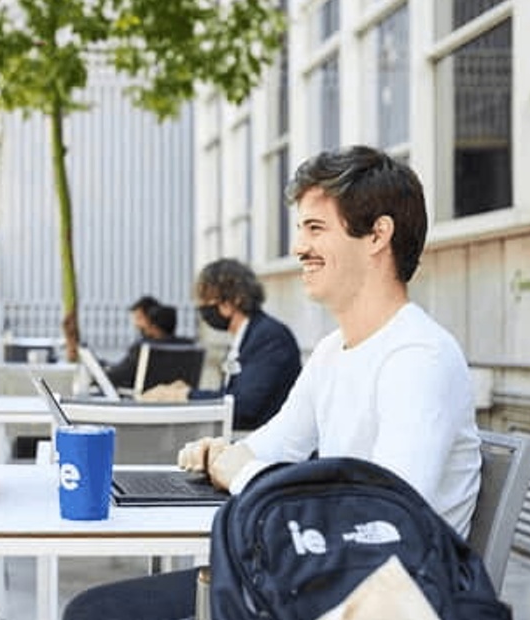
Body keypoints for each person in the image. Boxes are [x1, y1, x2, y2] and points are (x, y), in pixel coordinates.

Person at [62, 145, 483, 620]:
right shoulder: (331, 352)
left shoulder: (418, 357)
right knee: (92, 609)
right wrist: (217, 453)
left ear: (377, 236)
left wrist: (239, 471)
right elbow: (274, 445)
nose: (298, 247)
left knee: (94, 614)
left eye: (315, 228)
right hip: (316, 578)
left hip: (371, 599)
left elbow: (382, 524)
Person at [142, 258, 302, 430]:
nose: (202, 308)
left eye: (207, 300)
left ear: (233, 300)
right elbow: (228, 395)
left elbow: (243, 407)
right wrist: (187, 392)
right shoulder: (245, 337)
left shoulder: (270, 337)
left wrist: (184, 396)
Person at [106, 296, 194, 390]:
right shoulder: (189, 346)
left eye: (139, 318)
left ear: (153, 323)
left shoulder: (145, 348)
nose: (136, 324)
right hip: (180, 399)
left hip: (147, 400)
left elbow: (117, 377)